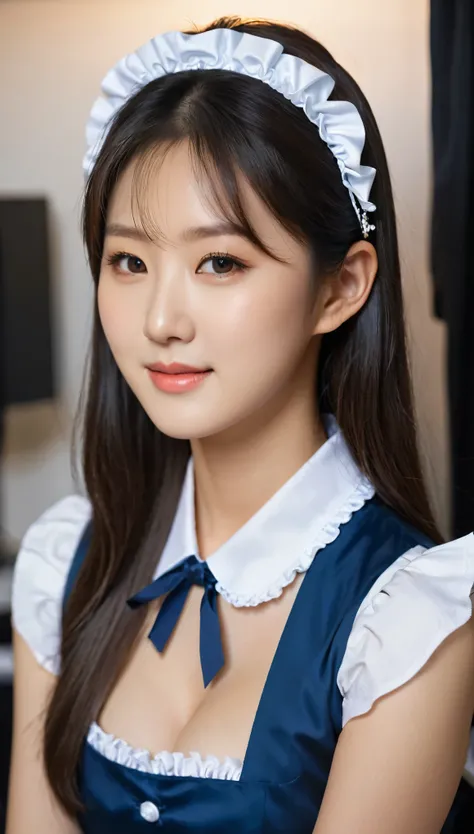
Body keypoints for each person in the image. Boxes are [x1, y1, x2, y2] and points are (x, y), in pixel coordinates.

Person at [6, 16, 474, 834]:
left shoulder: (405, 622)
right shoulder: (68, 564)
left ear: (342, 287)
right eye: (129, 261)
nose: (160, 319)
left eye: (220, 261)